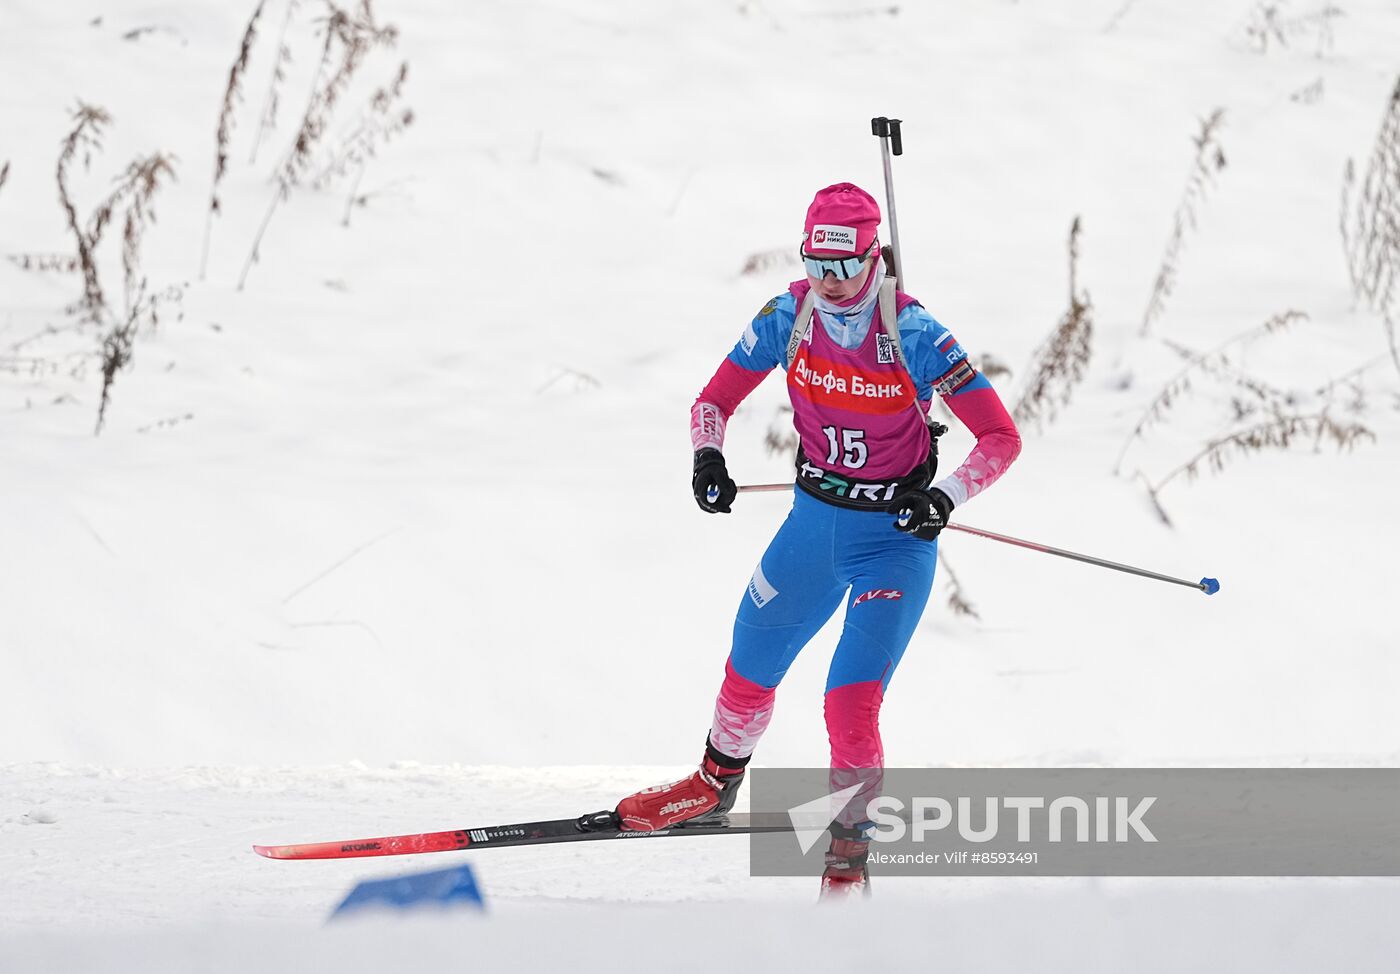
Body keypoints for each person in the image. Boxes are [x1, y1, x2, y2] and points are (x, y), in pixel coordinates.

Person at [614, 182, 1021, 894]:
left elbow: (1000, 436)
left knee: (847, 701)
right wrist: (708, 459)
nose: (831, 285)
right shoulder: (787, 314)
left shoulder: (913, 331)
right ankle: (713, 784)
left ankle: (849, 853)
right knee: (748, 662)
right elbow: (712, 402)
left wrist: (944, 498)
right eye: (818, 266)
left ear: (874, 257)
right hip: (812, 524)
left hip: (890, 542)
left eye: (846, 268)